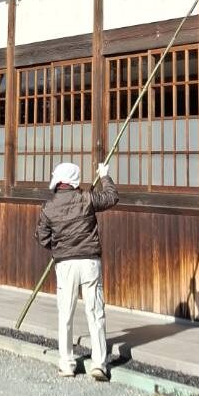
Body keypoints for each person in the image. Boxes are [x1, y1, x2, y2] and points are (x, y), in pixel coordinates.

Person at [34, 160, 119, 382]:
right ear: (74, 180)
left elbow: (41, 237)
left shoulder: (49, 206)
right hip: (90, 261)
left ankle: (67, 364)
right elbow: (112, 198)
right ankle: (99, 364)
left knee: (66, 315)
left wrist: (59, 245)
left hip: (65, 264)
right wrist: (104, 176)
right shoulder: (87, 198)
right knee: (95, 312)